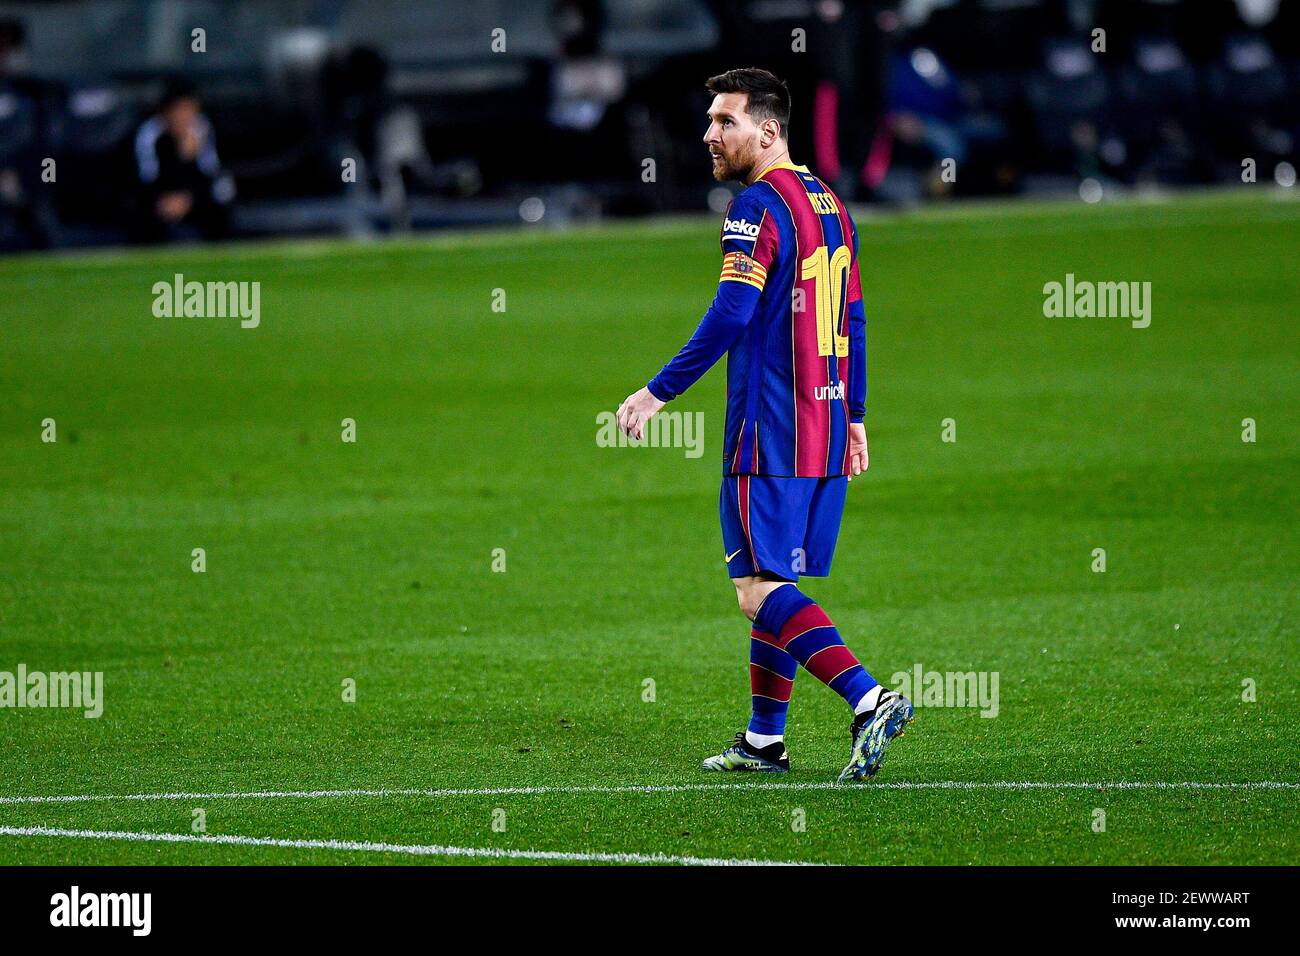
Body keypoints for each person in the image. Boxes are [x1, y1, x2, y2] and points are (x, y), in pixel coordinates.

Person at [615, 68, 913, 781]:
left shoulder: (755, 206)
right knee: (775, 583)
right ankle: (763, 742)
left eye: (725, 121)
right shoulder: (830, 201)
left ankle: (868, 699)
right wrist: (859, 414)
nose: (710, 134)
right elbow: (856, 319)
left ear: (768, 131)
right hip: (828, 423)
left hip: (771, 429)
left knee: (755, 590)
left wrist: (659, 392)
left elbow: (732, 313)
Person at [132, 79, 232, 242]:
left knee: (220, 198)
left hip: (193, 197)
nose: (184, 116)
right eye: (179, 110)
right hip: (160, 198)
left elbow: (211, 174)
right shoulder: (149, 134)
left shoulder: (202, 129)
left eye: (190, 110)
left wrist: (188, 197)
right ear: (166, 112)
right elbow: (147, 179)